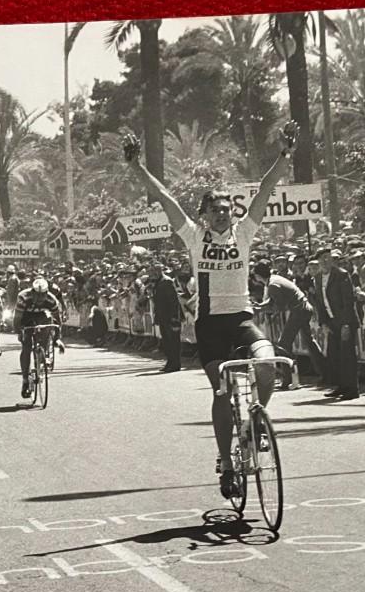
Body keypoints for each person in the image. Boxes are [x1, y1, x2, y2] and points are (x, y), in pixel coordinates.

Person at [123, 118, 299, 498]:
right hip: (209, 324)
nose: (222, 214)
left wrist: (284, 155)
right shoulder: (194, 236)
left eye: (226, 209)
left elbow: (267, 189)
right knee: (222, 389)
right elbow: (166, 199)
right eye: (215, 210)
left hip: (241, 318)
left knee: (267, 365)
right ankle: (225, 459)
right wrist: (138, 168)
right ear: (204, 215)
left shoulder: (245, 232)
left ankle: (253, 425)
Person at [252, 260, 325, 389]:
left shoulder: (273, 285)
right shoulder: (274, 279)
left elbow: (279, 307)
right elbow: (273, 301)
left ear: (258, 276)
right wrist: (261, 306)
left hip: (299, 310)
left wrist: (260, 309)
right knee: (309, 342)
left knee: (283, 344)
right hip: (302, 308)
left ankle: (288, 379)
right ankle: (326, 372)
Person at [317, 249, 360, 400]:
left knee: (347, 356)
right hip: (331, 321)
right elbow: (319, 302)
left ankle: (352, 389)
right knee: (334, 356)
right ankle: (341, 386)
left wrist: (347, 324)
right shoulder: (317, 278)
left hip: (344, 320)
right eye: (322, 259)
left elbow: (348, 301)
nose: (325, 261)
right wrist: (323, 322)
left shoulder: (341, 275)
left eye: (328, 258)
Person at [16, 277, 65, 398]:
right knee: (26, 346)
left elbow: (57, 321)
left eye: (42, 295)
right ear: (32, 292)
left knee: (48, 323)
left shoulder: (51, 299)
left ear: (47, 293)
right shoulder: (23, 297)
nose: (39, 298)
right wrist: (19, 332)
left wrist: (57, 338)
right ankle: (25, 380)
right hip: (26, 317)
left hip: (42, 315)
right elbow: (17, 319)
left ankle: (42, 353)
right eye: (37, 295)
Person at [149, 261, 182, 372]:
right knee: (166, 342)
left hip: (170, 317)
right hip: (163, 316)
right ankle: (170, 362)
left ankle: (175, 364)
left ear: (160, 270)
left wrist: (174, 317)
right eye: (152, 271)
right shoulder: (157, 283)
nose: (154, 273)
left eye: (156, 270)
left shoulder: (166, 281)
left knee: (173, 341)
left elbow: (173, 301)